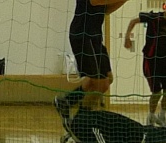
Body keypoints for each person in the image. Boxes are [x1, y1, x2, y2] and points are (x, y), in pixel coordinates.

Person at [55, 0, 132, 133]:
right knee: (99, 83)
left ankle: (67, 101)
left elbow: (106, 10)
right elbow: (95, 2)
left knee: (107, 79)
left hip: (95, 37)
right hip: (82, 35)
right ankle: (80, 123)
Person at [124, 0, 166, 127]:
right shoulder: (154, 18)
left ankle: (162, 116)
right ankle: (151, 116)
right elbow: (133, 21)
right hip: (152, 59)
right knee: (157, 92)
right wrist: (127, 37)